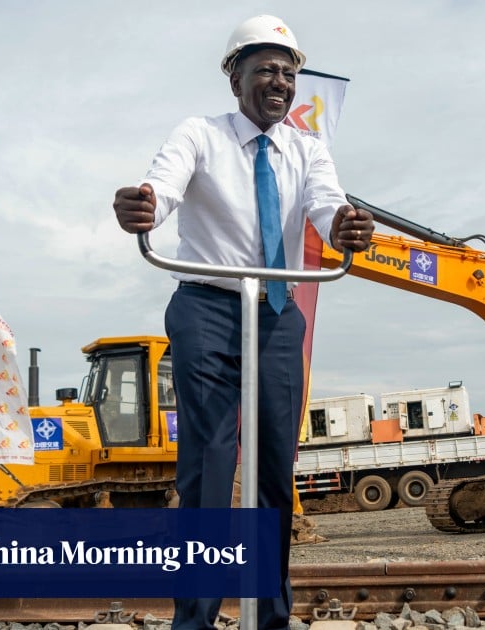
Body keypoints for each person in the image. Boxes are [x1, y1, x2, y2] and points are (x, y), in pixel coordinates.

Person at [112, 14, 374, 630]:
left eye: (287, 73)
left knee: (274, 469)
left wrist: (343, 226)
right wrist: (145, 205)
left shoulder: (308, 150)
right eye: (265, 70)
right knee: (208, 464)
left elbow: (326, 205)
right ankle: (195, 620)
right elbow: (163, 185)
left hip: (278, 315)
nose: (279, 82)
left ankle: (271, 618)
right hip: (207, 307)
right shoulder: (200, 134)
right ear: (236, 80)